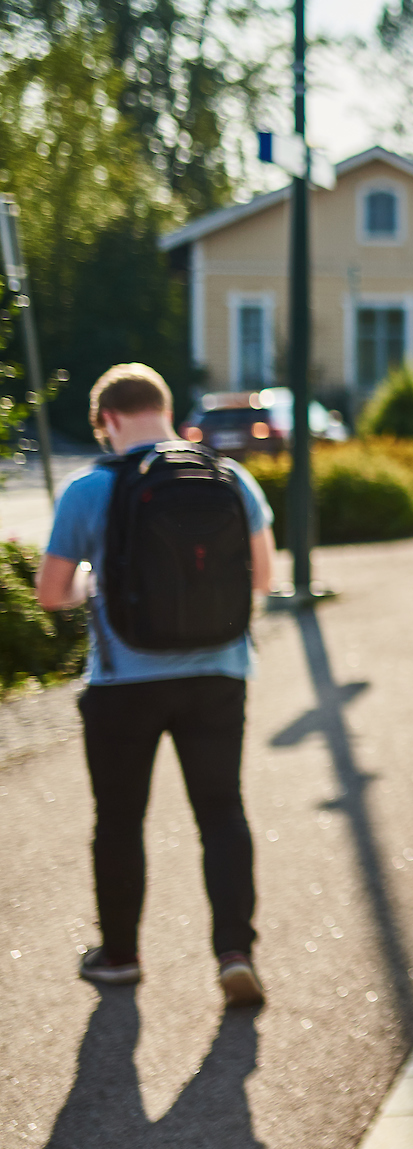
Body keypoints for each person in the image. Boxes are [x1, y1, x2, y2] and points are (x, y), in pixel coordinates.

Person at [35, 363, 275, 1008]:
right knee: (222, 814)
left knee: (119, 819)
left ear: (108, 420)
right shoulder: (231, 478)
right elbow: (262, 577)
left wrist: (97, 584)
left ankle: (121, 957)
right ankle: (234, 953)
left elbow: (52, 593)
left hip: (123, 682)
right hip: (220, 674)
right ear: (165, 411)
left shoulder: (90, 488)